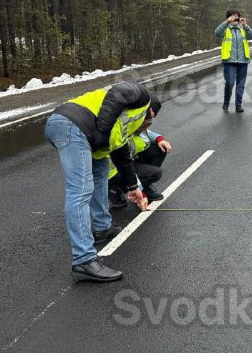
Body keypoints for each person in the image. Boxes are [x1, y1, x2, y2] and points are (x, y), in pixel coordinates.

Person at [45, 81, 152, 282]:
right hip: (72, 126)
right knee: (80, 190)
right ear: (152, 111)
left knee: (101, 170)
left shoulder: (125, 122)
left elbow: (121, 154)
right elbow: (118, 91)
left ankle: (103, 228)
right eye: (150, 121)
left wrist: (134, 188)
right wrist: (102, 133)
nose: (148, 127)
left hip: (76, 127)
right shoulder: (142, 96)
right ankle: (83, 259)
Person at [108, 94, 172, 207]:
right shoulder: (123, 131)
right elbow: (122, 164)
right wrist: (138, 191)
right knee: (155, 173)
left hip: (127, 161)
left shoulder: (137, 126)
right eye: (146, 123)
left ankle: (144, 186)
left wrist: (159, 139)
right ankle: (115, 190)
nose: (146, 127)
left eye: (150, 123)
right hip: (113, 170)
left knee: (160, 149)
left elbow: (146, 133)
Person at [215, 10, 252, 112]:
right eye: (233, 16)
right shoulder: (226, 29)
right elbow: (217, 32)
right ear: (229, 18)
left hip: (243, 61)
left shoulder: (242, 29)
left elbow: (251, 36)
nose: (235, 18)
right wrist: (226, 22)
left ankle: (238, 105)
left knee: (240, 84)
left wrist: (246, 26)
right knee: (230, 83)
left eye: (237, 17)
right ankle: (226, 103)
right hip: (229, 61)